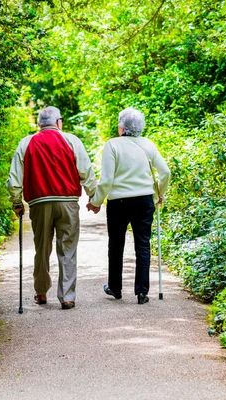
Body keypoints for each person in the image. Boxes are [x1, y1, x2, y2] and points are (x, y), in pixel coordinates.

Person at [7, 106, 97, 310]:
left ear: (39, 124)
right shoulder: (72, 140)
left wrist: (16, 201)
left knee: (42, 249)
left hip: (39, 203)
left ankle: (41, 292)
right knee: (67, 249)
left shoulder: (26, 142)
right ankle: (67, 297)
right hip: (68, 202)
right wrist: (94, 197)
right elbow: (86, 171)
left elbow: (14, 178)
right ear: (59, 123)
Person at [87, 107, 170, 304]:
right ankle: (142, 292)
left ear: (121, 128)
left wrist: (96, 202)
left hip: (119, 202)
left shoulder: (112, 145)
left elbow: (106, 180)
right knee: (143, 244)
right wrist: (160, 194)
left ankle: (115, 288)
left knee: (116, 245)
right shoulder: (148, 144)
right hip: (144, 200)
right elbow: (165, 172)